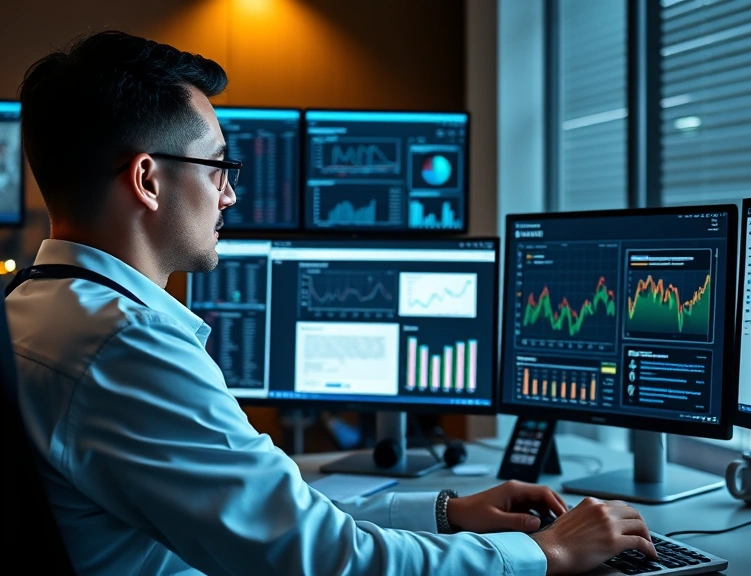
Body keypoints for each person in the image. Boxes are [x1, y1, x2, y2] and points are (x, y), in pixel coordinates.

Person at [6, 31, 657, 576]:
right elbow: (321, 557)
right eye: (218, 167)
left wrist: (443, 511)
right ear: (148, 180)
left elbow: (265, 512)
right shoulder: (128, 347)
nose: (229, 195)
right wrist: (543, 553)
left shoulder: (39, 310)